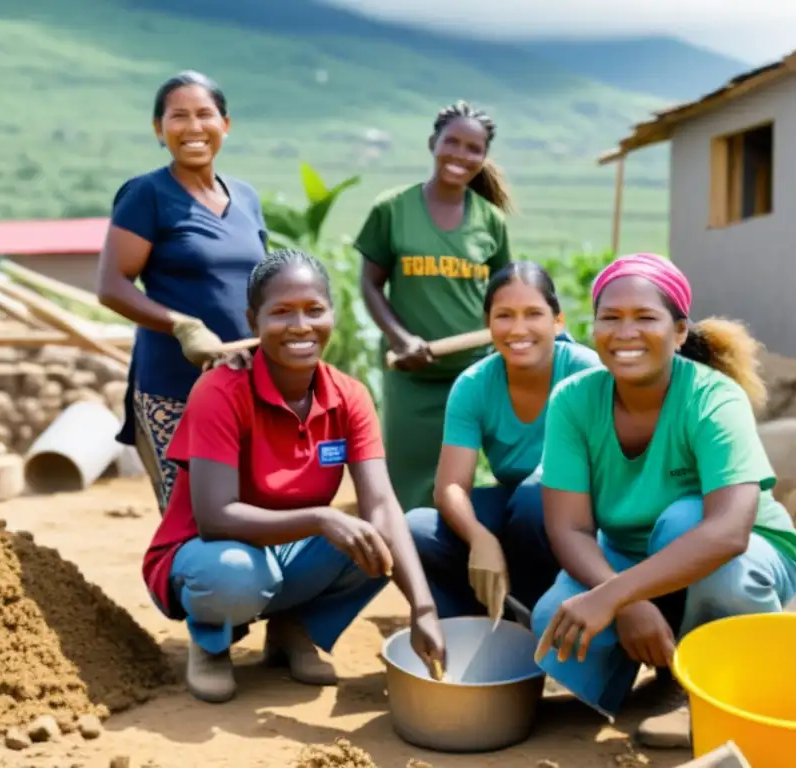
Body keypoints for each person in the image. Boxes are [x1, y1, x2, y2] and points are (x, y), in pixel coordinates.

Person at [141, 249, 445, 704]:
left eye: (313, 310)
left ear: (332, 315)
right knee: (235, 572)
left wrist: (423, 609)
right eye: (281, 312)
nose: (301, 326)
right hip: (209, 556)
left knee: (405, 533)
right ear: (252, 319)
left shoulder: (349, 396)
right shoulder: (221, 391)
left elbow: (381, 504)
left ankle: (295, 627)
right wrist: (323, 519)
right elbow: (215, 518)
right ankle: (211, 643)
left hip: (289, 553)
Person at [531, 253, 796, 749]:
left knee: (686, 520)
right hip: (636, 557)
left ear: (679, 332)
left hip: (745, 556)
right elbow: (569, 528)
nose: (625, 332)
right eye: (610, 318)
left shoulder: (712, 398)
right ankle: (650, 677)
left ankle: (707, 692)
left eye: (645, 318)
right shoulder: (574, 399)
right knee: (554, 617)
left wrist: (616, 597)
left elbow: (729, 532)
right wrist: (625, 597)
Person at [97, 70, 267, 513]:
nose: (193, 127)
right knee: (189, 518)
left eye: (205, 114)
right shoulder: (147, 195)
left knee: (250, 510)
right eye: (179, 116)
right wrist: (184, 326)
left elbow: (261, 286)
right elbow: (111, 285)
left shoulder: (246, 198)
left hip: (246, 385)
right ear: (159, 129)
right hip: (174, 390)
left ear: (225, 124)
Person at [406, 262, 602, 621]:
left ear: (558, 322)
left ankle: (541, 618)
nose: (518, 329)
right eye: (504, 316)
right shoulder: (474, 384)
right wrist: (480, 538)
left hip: (584, 512)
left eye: (533, 314)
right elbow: (450, 486)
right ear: (488, 325)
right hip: (518, 506)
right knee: (416, 530)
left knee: (535, 499)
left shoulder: (586, 372)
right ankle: (472, 629)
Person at [355, 100, 513, 511]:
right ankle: (410, 564)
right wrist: (401, 338)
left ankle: (462, 556)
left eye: (473, 148)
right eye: (452, 142)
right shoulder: (392, 209)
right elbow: (370, 285)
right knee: (407, 483)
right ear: (432, 143)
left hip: (473, 373)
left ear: (484, 156)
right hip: (410, 373)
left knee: (462, 480)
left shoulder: (491, 220)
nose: (461, 155)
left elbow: (505, 294)